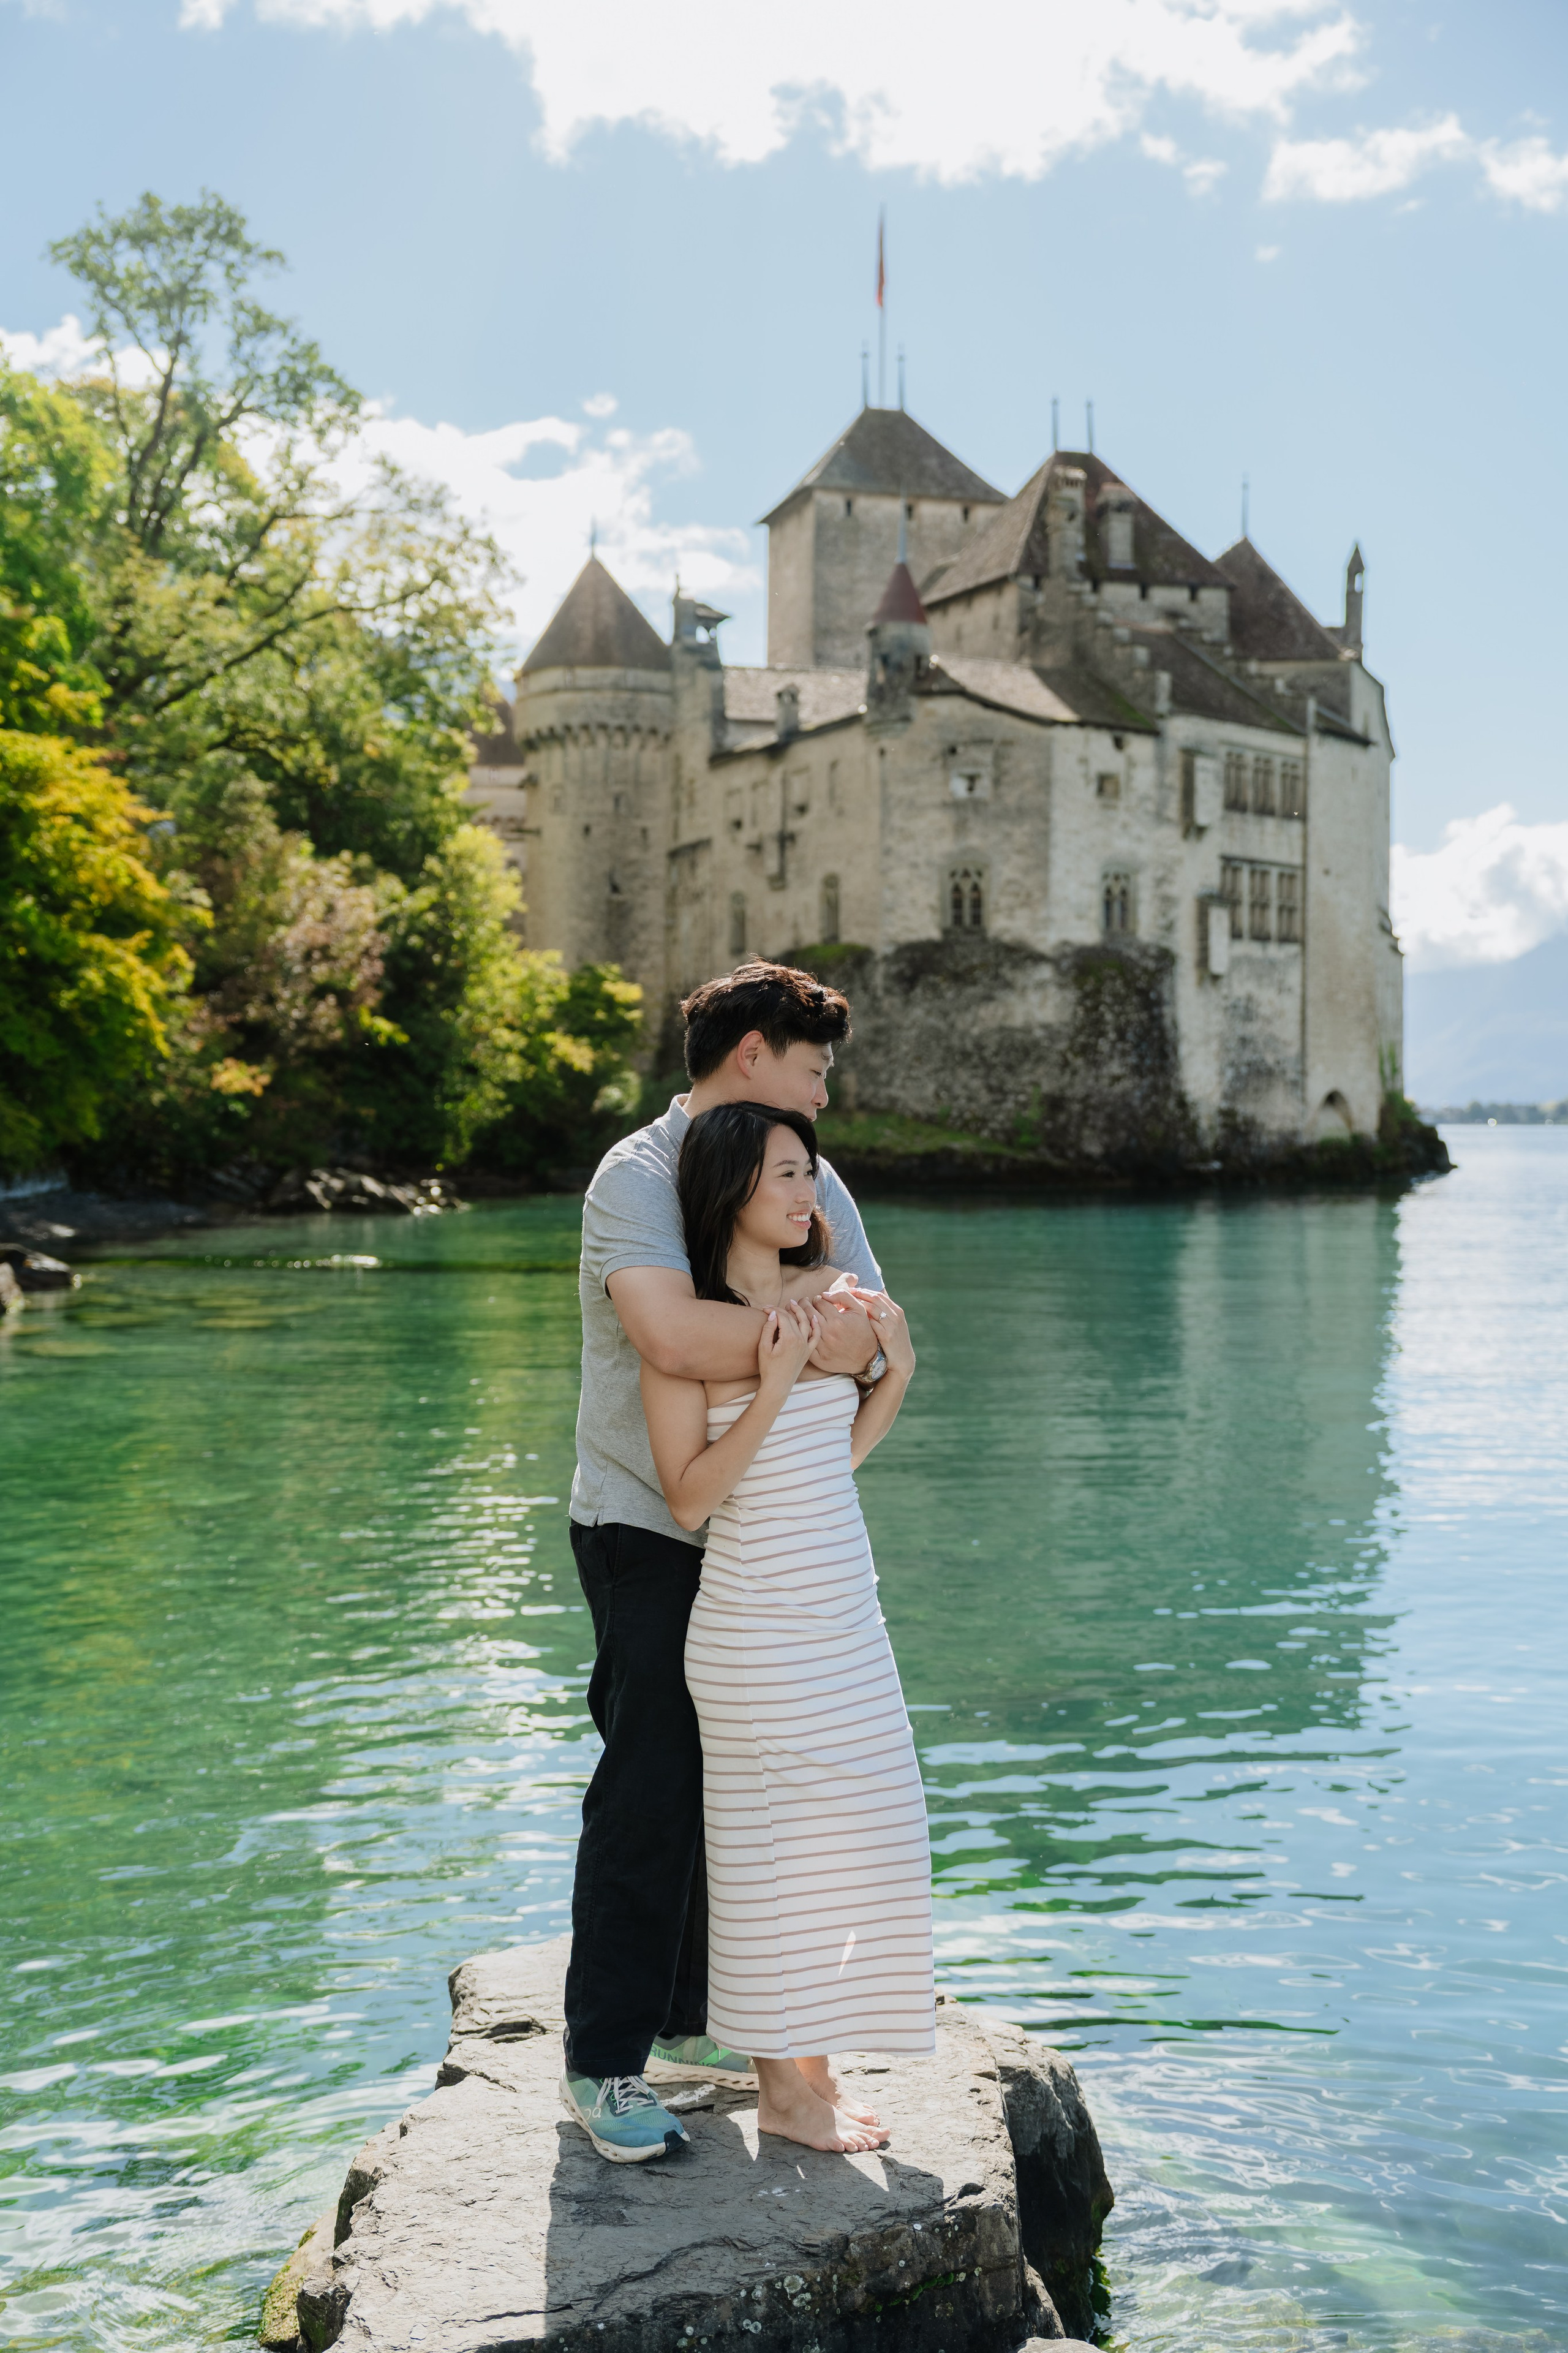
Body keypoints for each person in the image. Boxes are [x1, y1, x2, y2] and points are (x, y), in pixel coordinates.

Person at [559, 964, 887, 2164]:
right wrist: (806, 1331)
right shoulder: (637, 1176)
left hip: (773, 1535)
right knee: (651, 1782)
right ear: (749, 1053)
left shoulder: (810, 1171)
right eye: (811, 1069)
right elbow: (664, 1334)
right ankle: (602, 2058)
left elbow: (878, 1329)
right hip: (649, 1521)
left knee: (759, 1785)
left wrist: (777, 1340)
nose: (822, 1095)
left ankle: (697, 2027)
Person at [641, 1103, 932, 2155]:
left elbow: (827, 1467)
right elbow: (691, 1499)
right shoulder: (687, 1340)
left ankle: (814, 2062)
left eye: (810, 1175)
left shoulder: (830, 1309)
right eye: (787, 1177)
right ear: (731, 1191)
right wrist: (768, 1388)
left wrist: (894, 1373)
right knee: (768, 1853)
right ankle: (783, 2091)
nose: (811, 1195)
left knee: (869, 1834)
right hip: (755, 1627)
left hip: (845, 1614)